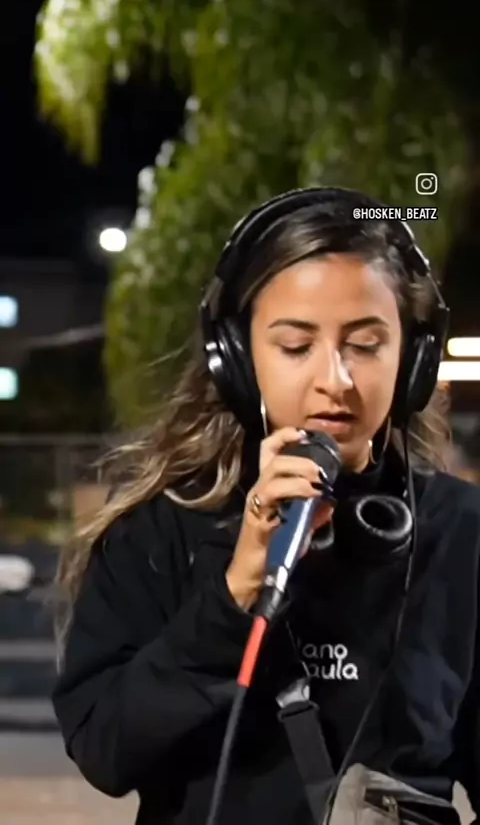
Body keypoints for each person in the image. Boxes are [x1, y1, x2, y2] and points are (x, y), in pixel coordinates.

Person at [52, 187, 480, 825]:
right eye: (296, 346)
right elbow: (104, 750)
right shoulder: (161, 528)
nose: (335, 380)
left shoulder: (460, 531)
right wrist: (234, 597)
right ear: (236, 358)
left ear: (413, 359)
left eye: (366, 344)